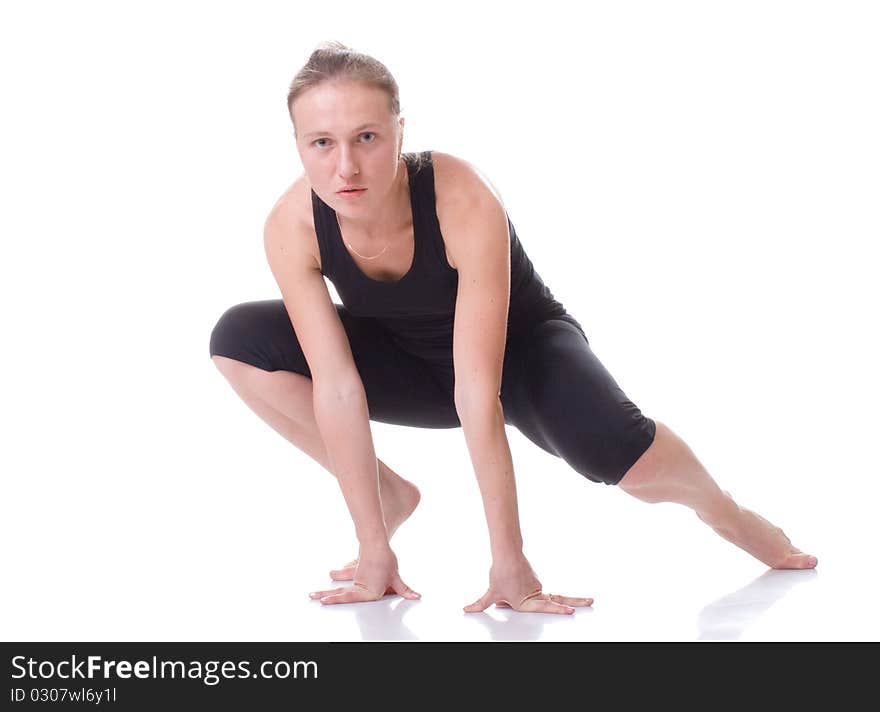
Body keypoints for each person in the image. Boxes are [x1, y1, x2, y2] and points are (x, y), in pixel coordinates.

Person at [209, 41, 818, 616]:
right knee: (240, 340)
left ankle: (726, 513)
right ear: (297, 144)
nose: (346, 165)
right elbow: (338, 386)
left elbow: (478, 389)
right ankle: (388, 497)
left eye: (366, 137)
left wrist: (509, 561)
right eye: (321, 143)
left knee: (629, 462)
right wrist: (373, 550)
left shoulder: (460, 196)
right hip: (402, 360)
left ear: (400, 131)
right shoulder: (291, 225)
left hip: (520, 355)